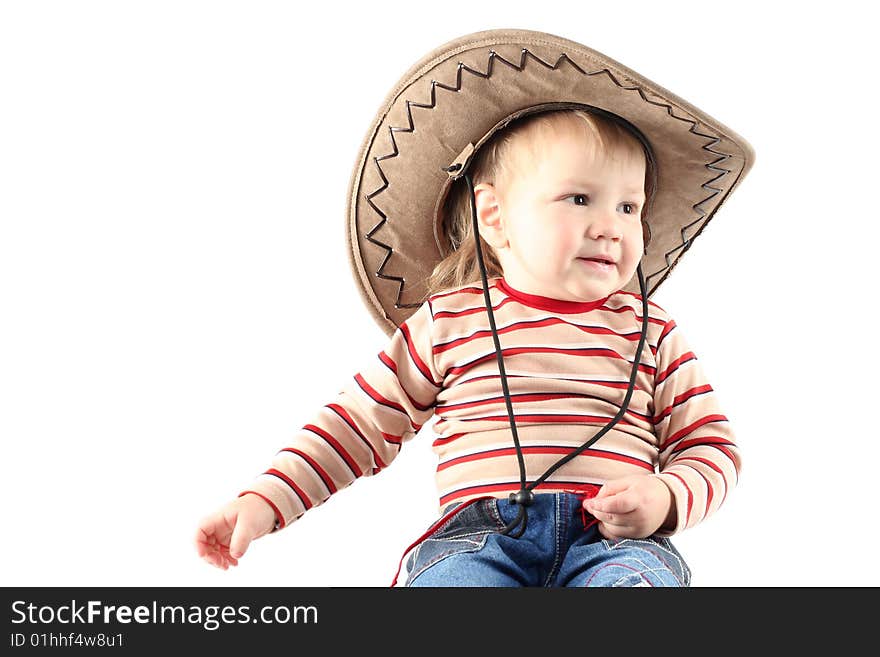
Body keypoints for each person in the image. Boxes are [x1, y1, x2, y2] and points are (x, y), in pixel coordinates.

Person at [195, 28, 754, 586]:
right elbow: (357, 425)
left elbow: (711, 446)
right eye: (579, 198)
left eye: (630, 206)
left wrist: (666, 495)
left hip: (612, 546)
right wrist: (266, 500)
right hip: (479, 540)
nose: (611, 226)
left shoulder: (651, 332)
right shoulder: (450, 321)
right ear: (494, 217)